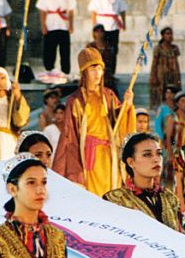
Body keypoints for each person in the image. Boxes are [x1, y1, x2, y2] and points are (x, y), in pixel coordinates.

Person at [53, 47, 135, 196]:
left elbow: (121, 122)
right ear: (84, 72)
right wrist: (74, 171)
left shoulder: (108, 95)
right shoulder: (76, 100)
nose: (97, 74)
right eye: (92, 69)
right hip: (90, 159)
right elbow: (69, 137)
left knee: (112, 196)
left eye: (99, 69)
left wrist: (127, 106)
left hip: (110, 156)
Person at [36, 0, 77, 75]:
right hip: (51, 24)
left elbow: (71, 10)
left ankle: (65, 72)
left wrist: (71, 25)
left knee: (64, 51)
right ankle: (49, 70)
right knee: (50, 50)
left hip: (63, 24)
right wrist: (43, 25)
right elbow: (43, 11)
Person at [88, 0, 128, 77]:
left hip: (113, 26)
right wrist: (94, 25)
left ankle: (111, 73)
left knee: (113, 50)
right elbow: (93, 11)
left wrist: (123, 23)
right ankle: (100, 72)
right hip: (102, 26)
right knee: (101, 49)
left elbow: (122, 10)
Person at [148, 27, 181, 110]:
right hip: (161, 73)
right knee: (161, 91)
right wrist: (153, 76)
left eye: (171, 33)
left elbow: (176, 61)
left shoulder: (175, 48)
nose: (169, 36)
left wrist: (177, 74)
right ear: (163, 35)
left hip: (173, 73)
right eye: (167, 34)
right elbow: (154, 62)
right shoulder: (158, 48)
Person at [154, 85, 178, 187]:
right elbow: (157, 125)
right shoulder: (162, 109)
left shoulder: (177, 109)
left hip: (176, 141)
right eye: (167, 93)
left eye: (171, 93)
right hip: (165, 141)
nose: (169, 95)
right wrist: (161, 139)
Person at [87, 23, 116, 94]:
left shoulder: (109, 46)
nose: (99, 34)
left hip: (106, 73)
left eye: (101, 31)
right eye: (97, 31)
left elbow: (112, 62)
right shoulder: (90, 46)